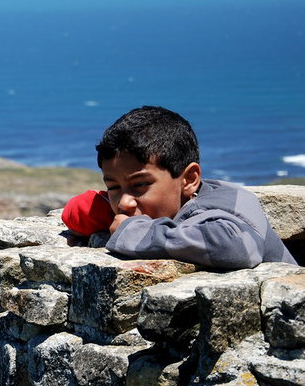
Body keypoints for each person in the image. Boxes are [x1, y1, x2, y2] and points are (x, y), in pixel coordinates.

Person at [66, 105, 296, 269]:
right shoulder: (138, 205)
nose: (125, 202)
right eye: (114, 187)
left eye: (140, 185)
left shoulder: (221, 207)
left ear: (189, 179)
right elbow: (78, 210)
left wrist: (133, 231)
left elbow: (237, 250)